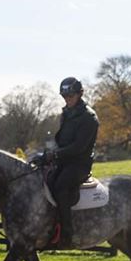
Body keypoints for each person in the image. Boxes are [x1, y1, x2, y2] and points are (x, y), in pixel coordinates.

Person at [31, 77, 99, 247]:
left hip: (79, 164)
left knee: (61, 186)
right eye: (64, 96)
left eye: (70, 96)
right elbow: (61, 140)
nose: (67, 99)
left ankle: (67, 233)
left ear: (79, 94)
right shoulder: (67, 114)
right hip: (63, 162)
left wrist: (54, 155)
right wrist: (45, 154)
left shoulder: (89, 117)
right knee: (44, 181)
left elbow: (78, 147)